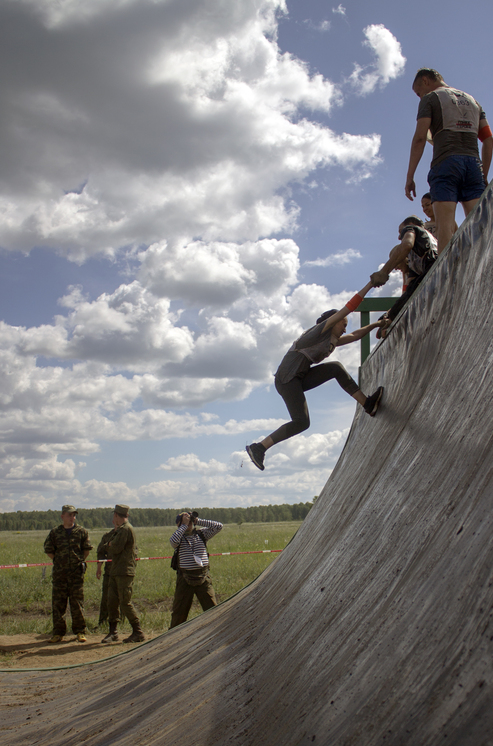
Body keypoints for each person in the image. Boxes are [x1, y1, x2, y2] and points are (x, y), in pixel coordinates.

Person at [245, 283, 384, 471]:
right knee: (301, 422)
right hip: (287, 379)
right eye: (343, 324)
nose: (345, 329)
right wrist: (370, 285)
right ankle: (259, 447)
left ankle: (367, 404)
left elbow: (354, 335)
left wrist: (377, 324)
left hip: (300, 377)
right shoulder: (319, 331)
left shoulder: (331, 339)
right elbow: (349, 307)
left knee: (335, 368)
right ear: (334, 321)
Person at [405, 68, 493, 252]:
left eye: (418, 93)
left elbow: (420, 138)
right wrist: (483, 175)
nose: (420, 97)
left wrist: (410, 176)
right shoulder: (473, 101)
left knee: (445, 229)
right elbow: (488, 140)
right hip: (473, 165)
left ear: (425, 80)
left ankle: (447, 271)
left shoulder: (430, 98)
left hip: (445, 163)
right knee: (480, 227)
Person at [370, 216, 438, 338]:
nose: (399, 237)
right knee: (408, 295)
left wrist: (384, 272)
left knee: (401, 305)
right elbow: (407, 291)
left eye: (400, 232)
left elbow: (406, 244)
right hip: (428, 273)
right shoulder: (416, 257)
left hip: (433, 266)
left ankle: (389, 321)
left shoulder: (412, 228)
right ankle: (388, 320)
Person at [43, 504, 92, 643]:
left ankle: (80, 631)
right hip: (60, 575)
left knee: (77, 604)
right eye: (69, 515)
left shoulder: (81, 531)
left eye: (74, 515)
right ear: (62, 516)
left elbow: (86, 550)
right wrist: (60, 561)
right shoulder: (55, 532)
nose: (72, 517)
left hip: (76, 574)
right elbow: (49, 550)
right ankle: (58, 633)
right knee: (58, 604)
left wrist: (77, 562)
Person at [169, 511, 223, 628]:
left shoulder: (201, 534)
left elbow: (218, 526)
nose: (189, 523)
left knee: (212, 609)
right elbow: (173, 542)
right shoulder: (179, 537)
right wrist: (184, 525)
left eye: (190, 521)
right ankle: (174, 635)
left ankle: (217, 631)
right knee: (179, 612)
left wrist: (197, 521)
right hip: (184, 579)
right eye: (185, 521)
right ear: (179, 524)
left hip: (203, 577)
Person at [102, 504, 144, 644]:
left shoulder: (125, 529)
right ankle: (113, 632)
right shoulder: (122, 529)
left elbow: (115, 547)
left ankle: (138, 631)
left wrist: (109, 545)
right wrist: (110, 544)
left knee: (125, 602)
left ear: (116, 515)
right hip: (117, 570)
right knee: (112, 601)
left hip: (124, 571)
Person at [95, 526, 115, 628]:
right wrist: (99, 568)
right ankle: (103, 622)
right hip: (109, 572)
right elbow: (101, 552)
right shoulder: (107, 536)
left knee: (123, 598)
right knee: (106, 598)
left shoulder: (126, 534)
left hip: (122, 573)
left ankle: (121, 622)